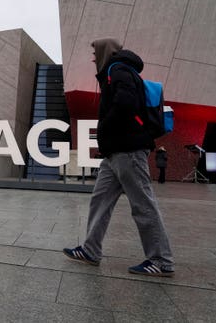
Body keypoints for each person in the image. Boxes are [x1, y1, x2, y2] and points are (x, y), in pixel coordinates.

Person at [63, 38, 175, 277]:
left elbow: (125, 103)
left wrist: (103, 128)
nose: (93, 57)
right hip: (115, 152)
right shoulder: (115, 71)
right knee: (99, 200)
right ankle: (91, 250)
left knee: (142, 204)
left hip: (129, 150)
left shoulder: (119, 69)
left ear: (105, 51)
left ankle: (161, 260)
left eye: (95, 52)